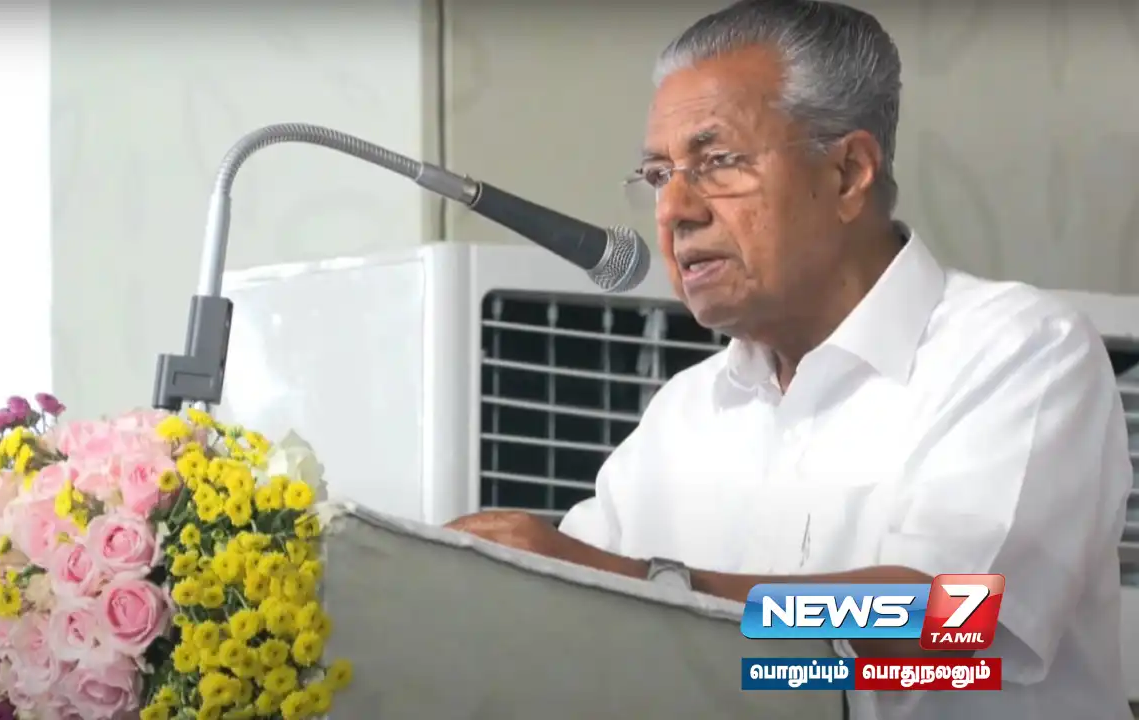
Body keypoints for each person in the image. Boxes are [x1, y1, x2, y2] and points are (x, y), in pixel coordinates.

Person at [444, 1, 1135, 718]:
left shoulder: (1021, 350)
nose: (675, 208)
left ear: (846, 173)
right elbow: (566, 610)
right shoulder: (686, 411)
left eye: (716, 162)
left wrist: (660, 590)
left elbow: (954, 625)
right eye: (657, 175)